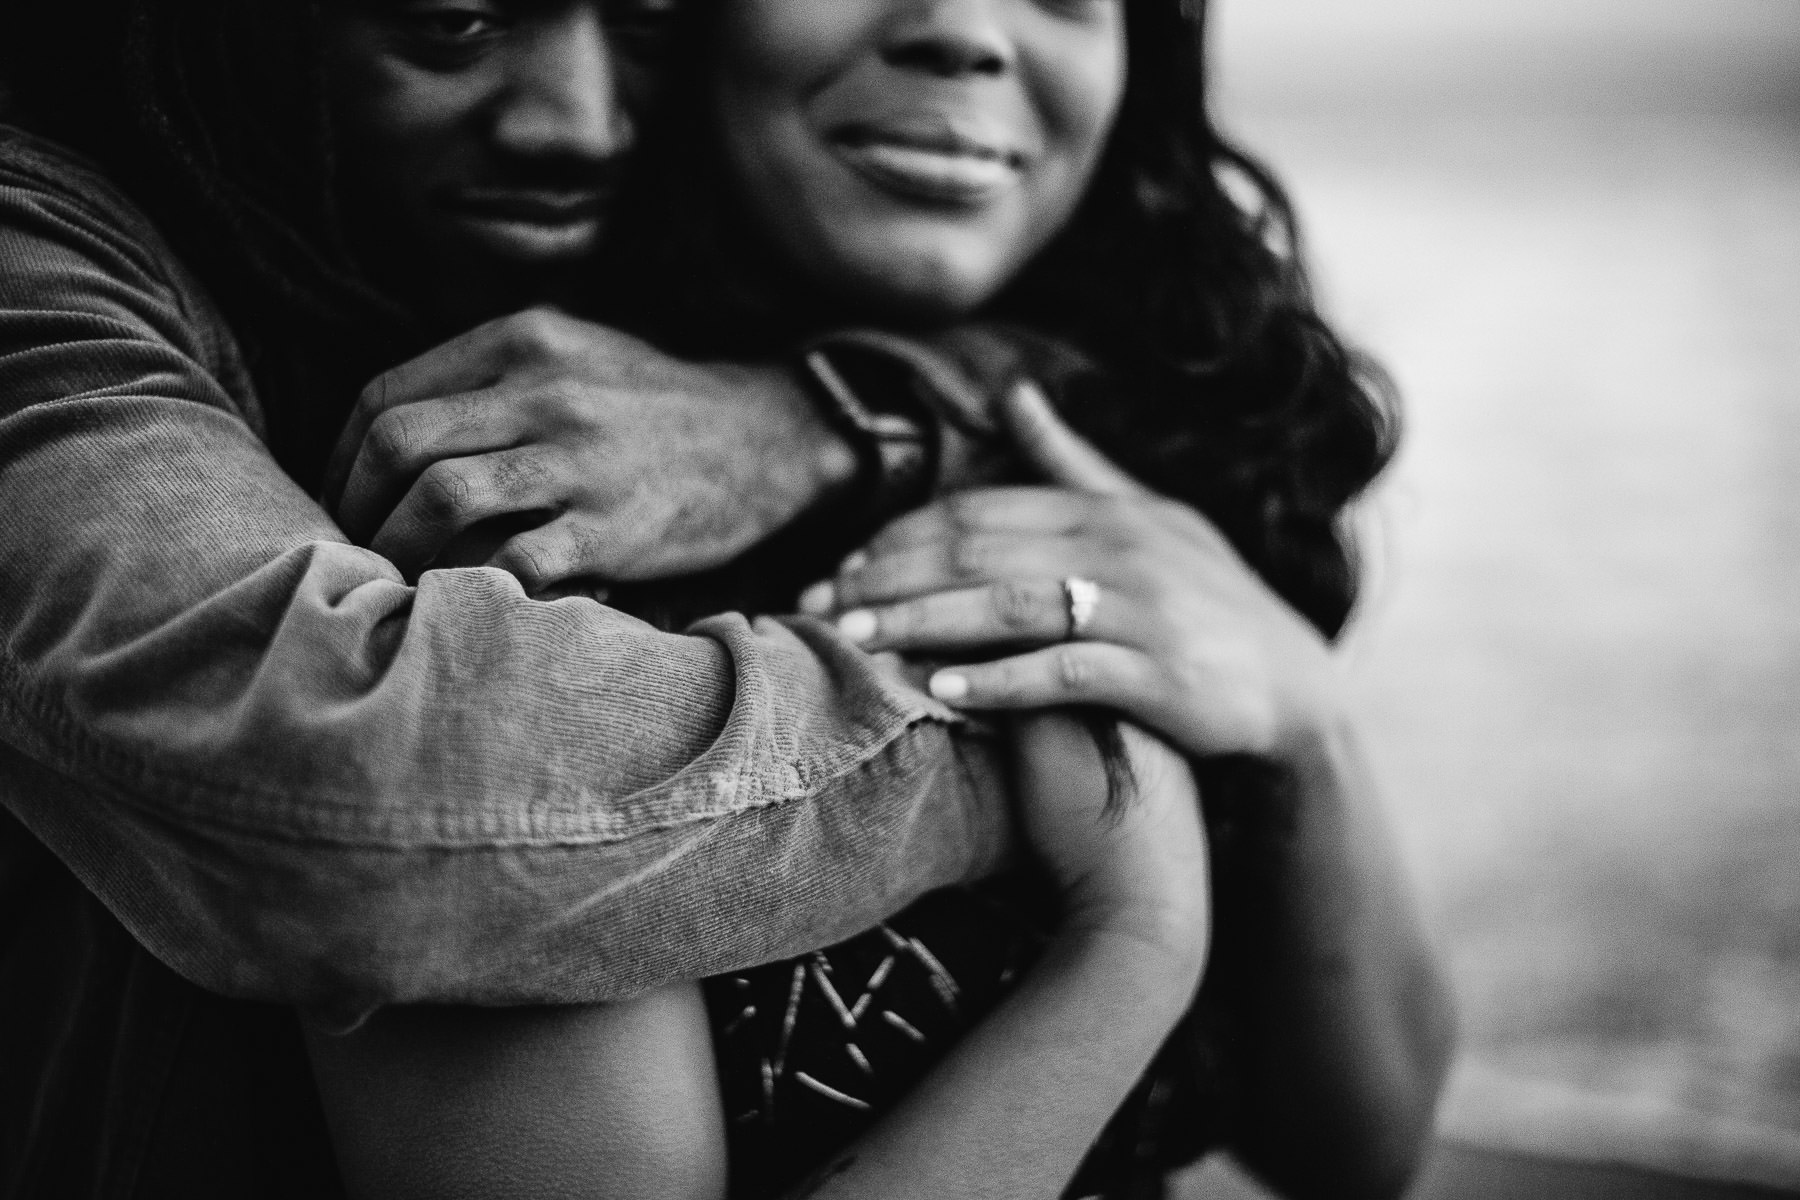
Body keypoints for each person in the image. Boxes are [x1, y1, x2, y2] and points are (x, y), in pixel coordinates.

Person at [308, 0, 1453, 1197]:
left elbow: (1362, 1153)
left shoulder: (1141, 445)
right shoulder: (516, 508)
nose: (964, 29)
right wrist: (1133, 944)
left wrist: (1300, 711)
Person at [0, 1, 1075, 1194]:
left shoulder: (676, 273)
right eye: (454, 21)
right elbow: (350, 789)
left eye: (656, 22)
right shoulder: (34, 254)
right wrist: (1016, 745)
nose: (581, 123)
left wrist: (815, 421)